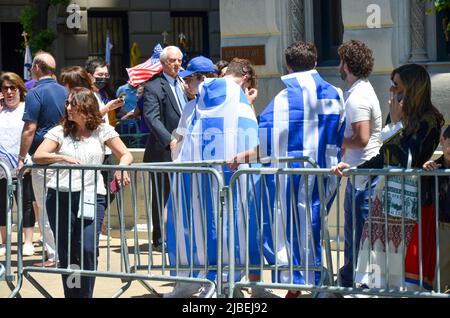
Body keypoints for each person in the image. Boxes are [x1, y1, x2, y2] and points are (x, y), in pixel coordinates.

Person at [332, 63, 445, 290]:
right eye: (392, 85)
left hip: (412, 200)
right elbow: (383, 156)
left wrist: (396, 122)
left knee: (403, 259)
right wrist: (355, 168)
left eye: (396, 85)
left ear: (412, 88)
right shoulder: (399, 116)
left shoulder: (430, 120)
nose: (392, 91)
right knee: (375, 252)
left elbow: (408, 158)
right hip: (385, 194)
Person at [253, 41, 346, 298]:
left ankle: (300, 280)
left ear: (288, 65)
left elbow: (265, 141)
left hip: (289, 177)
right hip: (323, 174)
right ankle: (306, 281)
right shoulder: (336, 93)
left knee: (289, 229)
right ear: (315, 62)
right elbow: (342, 133)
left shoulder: (280, 100)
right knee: (313, 225)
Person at [165, 58, 261, 298]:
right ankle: (220, 281)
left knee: (206, 229)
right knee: (223, 229)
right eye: (186, 79)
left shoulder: (209, 102)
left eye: (191, 78)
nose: (188, 83)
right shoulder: (230, 103)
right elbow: (256, 142)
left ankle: (215, 280)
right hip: (221, 180)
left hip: (203, 180)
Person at [33, 87, 133, 298]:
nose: (68, 108)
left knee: (88, 248)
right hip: (60, 196)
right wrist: (61, 158)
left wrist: (121, 167)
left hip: (91, 196)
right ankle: (73, 294)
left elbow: (125, 153)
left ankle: (85, 294)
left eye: (73, 103)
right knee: (68, 252)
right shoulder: (59, 131)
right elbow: (39, 155)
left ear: (86, 106)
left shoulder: (102, 130)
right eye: (67, 103)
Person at [336, 40, 382, 287]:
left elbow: (362, 138)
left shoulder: (358, 96)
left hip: (364, 179)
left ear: (348, 65)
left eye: (341, 61)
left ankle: (360, 284)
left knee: (360, 237)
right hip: (360, 177)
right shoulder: (358, 90)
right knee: (356, 237)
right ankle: (350, 280)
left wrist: (338, 142)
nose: (339, 66)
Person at [17, 51, 68, 267]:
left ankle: (54, 255)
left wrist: (21, 158)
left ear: (37, 68)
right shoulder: (65, 91)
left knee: (46, 206)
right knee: (63, 205)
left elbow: (30, 129)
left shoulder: (35, 93)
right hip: (65, 156)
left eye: (32, 68)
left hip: (43, 158)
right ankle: (64, 253)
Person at [142, 46, 187, 252]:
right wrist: (169, 140)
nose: (177, 64)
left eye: (179, 60)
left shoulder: (183, 83)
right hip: (163, 151)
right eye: (172, 61)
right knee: (162, 195)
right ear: (163, 63)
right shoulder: (154, 86)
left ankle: (180, 234)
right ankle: (160, 239)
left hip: (185, 150)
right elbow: (152, 117)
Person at [0, 72, 36, 257]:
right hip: (1, 168)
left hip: (22, 164)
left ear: (20, 89)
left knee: (26, 203)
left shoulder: (26, 109)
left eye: (12, 88)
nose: (9, 92)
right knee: (2, 205)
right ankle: (5, 241)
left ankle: (28, 241)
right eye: (5, 88)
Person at [171, 55, 218, 160]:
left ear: (202, 79)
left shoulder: (223, 104)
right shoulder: (189, 107)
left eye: (188, 79)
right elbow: (180, 138)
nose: (186, 84)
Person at [422, 126, 450, 293]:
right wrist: (426, 172)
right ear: (442, 141)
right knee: (442, 282)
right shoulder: (434, 168)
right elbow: (426, 199)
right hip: (443, 228)